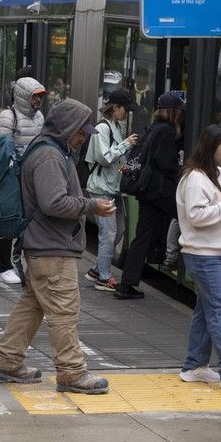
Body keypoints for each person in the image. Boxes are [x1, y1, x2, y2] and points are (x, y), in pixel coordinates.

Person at [0, 98, 114, 394]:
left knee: (31, 306)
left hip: (42, 246)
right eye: (80, 132)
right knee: (64, 312)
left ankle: (8, 361)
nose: (83, 138)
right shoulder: (49, 155)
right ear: (66, 127)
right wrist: (91, 205)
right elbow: (53, 202)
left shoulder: (49, 150)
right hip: (52, 248)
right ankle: (72, 372)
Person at [177, 124, 221, 390]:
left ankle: (195, 366)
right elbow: (197, 216)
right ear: (210, 147)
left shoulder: (219, 174)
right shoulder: (195, 179)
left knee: (205, 310)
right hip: (204, 255)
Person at [115, 90, 185, 300]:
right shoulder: (166, 131)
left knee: (142, 237)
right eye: (180, 111)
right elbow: (166, 164)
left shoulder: (153, 127)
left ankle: (126, 285)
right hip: (160, 192)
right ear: (173, 112)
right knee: (189, 218)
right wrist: (181, 167)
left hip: (147, 191)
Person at [0, 76, 46, 284]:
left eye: (40, 96)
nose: (38, 100)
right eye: (35, 96)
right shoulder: (7, 116)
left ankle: (24, 263)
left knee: (30, 221)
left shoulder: (40, 117)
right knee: (7, 221)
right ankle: (4, 267)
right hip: (10, 179)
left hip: (33, 177)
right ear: (23, 95)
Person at [84, 87, 138, 292]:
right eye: (125, 109)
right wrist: (125, 145)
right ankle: (104, 277)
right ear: (115, 107)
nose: (127, 113)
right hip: (101, 187)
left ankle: (97, 269)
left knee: (120, 229)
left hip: (112, 187)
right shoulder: (103, 127)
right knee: (108, 233)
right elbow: (104, 158)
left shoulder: (114, 125)